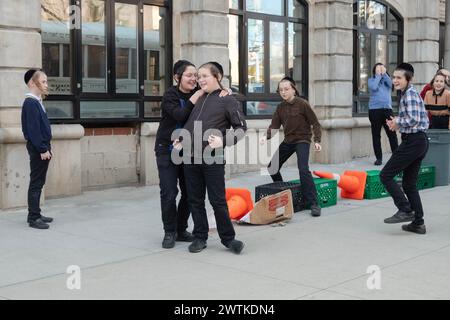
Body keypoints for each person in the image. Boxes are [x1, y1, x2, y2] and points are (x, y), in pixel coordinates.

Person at [155, 60, 230, 249]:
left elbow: (217, 91)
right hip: (168, 149)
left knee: (190, 194)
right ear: (177, 77)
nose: (194, 79)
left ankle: (181, 229)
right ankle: (169, 232)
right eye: (189, 75)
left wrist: (225, 90)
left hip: (190, 152)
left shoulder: (202, 93)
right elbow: (180, 116)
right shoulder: (170, 95)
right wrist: (195, 96)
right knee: (169, 192)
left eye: (196, 75)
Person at [175, 62, 247, 254]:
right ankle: (200, 237)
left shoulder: (227, 100)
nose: (200, 80)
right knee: (195, 200)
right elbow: (192, 123)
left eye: (204, 76)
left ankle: (229, 239)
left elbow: (241, 130)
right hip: (191, 157)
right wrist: (182, 140)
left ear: (218, 77)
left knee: (217, 200)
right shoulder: (199, 98)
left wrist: (222, 141)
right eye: (198, 77)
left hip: (212, 158)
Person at [260, 76, 322, 217]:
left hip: (302, 140)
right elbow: (274, 126)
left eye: (286, 89)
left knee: (303, 169)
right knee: (272, 167)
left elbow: (315, 123)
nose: (283, 92)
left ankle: (313, 203)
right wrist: (266, 136)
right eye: (281, 90)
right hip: (288, 141)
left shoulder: (302, 104)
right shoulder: (280, 107)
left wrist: (317, 140)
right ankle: (284, 195)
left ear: (294, 90)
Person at [381, 63, 429, 235]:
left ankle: (405, 209)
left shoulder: (409, 95)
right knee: (409, 184)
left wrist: (397, 122)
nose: (395, 80)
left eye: (399, 77)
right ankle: (418, 223)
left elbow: (414, 119)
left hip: (414, 142)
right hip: (418, 141)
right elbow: (412, 119)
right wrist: (397, 123)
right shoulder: (408, 94)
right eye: (393, 77)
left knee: (385, 175)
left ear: (409, 79)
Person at [21, 69, 53, 230]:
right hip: (38, 149)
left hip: (42, 147)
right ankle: (33, 217)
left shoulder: (37, 101)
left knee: (39, 182)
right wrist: (42, 149)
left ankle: (36, 213)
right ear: (32, 83)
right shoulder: (31, 103)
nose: (47, 84)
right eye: (43, 81)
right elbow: (33, 130)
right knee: (36, 182)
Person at [368, 63, 399, 166]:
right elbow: (373, 87)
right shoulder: (372, 80)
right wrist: (378, 75)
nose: (380, 69)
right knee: (376, 135)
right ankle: (379, 158)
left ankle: (396, 157)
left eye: (381, 68)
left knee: (392, 134)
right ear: (374, 70)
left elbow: (392, 85)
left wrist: (384, 74)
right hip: (374, 111)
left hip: (387, 110)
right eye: (378, 68)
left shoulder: (387, 80)